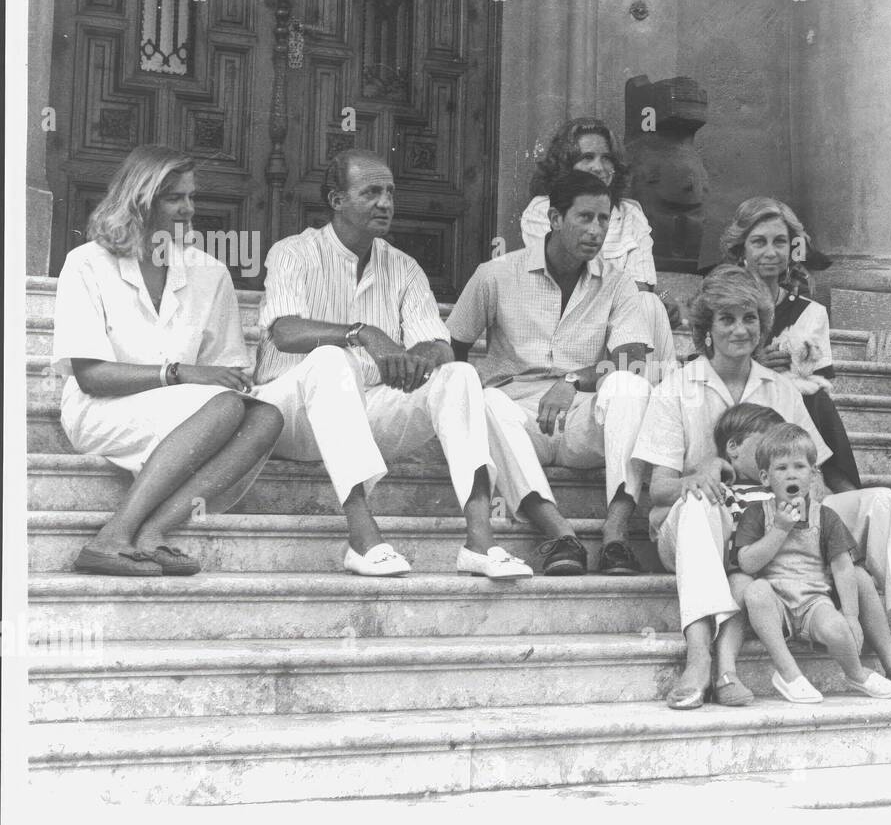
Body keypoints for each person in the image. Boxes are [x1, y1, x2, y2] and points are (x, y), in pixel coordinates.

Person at [634, 266, 891, 708]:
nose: (740, 329)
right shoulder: (676, 387)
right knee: (695, 503)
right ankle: (699, 656)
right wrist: (701, 475)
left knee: (880, 501)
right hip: (702, 530)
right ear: (706, 328)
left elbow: (816, 474)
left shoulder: (780, 389)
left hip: (776, 524)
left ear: (763, 326)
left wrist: (809, 529)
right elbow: (658, 491)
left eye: (750, 318)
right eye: (726, 318)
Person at [252, 148, 532, 579]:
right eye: (371, 192)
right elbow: (285, 331)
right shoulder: (292, 253)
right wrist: (363, 333)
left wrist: (418, 359)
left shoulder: (403, 267)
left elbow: (439, 344)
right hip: (288, 414)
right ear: (336, 200)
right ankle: (362, 538)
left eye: (390, 192)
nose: (385, 203)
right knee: (331, 360)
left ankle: (480, 541)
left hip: (365, 412)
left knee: (459, 373)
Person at [52, 145, 284, 576]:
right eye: (174, 197)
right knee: (228, 406)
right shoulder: (86, 264)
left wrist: (213, 383)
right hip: (101, 408)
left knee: (266, 417)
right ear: (140, 200)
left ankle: (153, 533)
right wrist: (178, 373)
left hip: (187, 414)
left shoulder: (210, 272)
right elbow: (90, 377)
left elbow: (224, 376)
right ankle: (111, 536)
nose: (188, 209)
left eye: (191, 197)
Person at [448, 170, 654, 575]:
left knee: (630, 386)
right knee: (484, 400)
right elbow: (454, 349)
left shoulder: (619, 284)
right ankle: (560, 533)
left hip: (583, 419)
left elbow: (631, 360)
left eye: (604, 220)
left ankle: (615, 535)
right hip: (517, 418)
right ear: (556, 219)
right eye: (585, 218)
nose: (596, 231)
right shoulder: (496, 275)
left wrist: (573, 380)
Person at [718, 413, 891, 699]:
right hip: (776, 602)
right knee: (755, 592)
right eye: (781, 468)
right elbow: (747, 562)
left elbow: (842, 566)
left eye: (799, 467)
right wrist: (779, 530)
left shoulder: (825, 516)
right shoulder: (757, 514)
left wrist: (851, 616)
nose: (791, 474)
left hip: (816, 600)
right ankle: (789, 674)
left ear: (813, 473)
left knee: (840, 626)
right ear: (765, 477)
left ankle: (857, 674)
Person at [520, 117, 680, 380]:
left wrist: (641, 293)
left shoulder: (631, 214)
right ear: (565, 166)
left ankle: (649, 394)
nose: (598, 167)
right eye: (587, 157)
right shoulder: (543, 211)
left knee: (648, 303)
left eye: (606, 158)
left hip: (624, 320)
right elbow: (565, 278)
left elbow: (642, 284)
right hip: (573, 318)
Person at [721, 196, 861, 492]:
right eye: (759, 242)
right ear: (741, 249)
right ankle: (840, 483)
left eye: (780, 242)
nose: (770, 252)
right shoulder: (721, 307)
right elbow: (705, 367)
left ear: (792, 248)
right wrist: (753, 362)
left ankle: (838, 481)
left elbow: (816, 380)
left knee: (814, 395)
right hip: (735, 407)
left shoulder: (810, 312)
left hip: (793, 411)